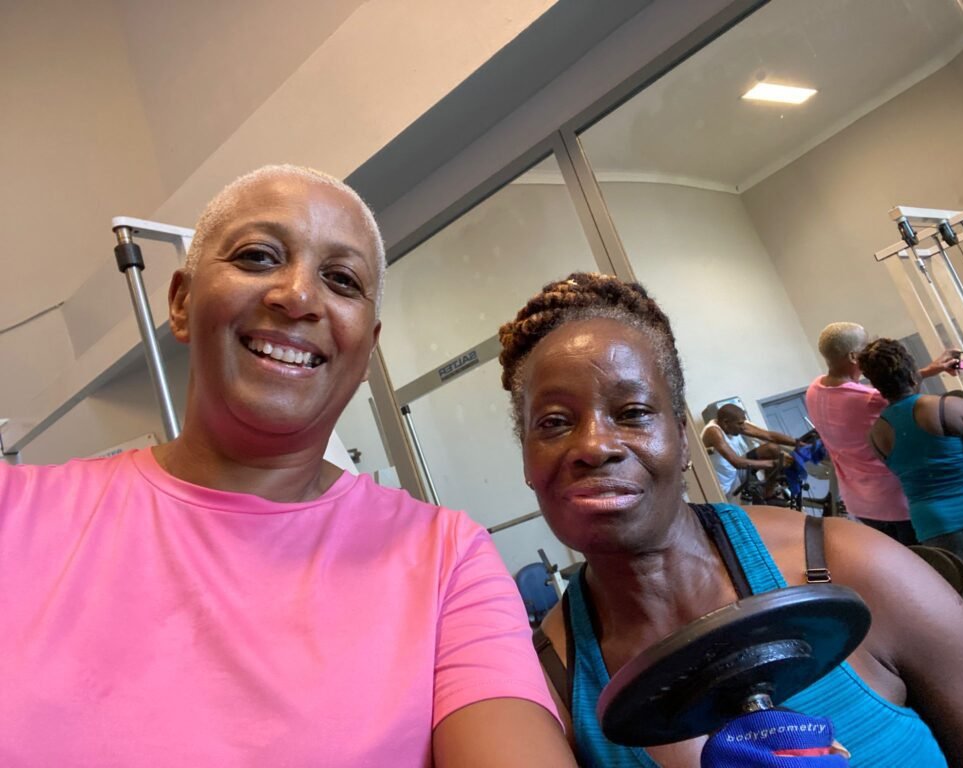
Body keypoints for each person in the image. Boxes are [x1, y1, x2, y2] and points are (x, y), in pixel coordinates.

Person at [0, 165, 574, 767]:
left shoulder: (445, 560)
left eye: (342, 279)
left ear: (366, 343)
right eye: (257, 257)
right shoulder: (18, 518)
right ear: (180, 302)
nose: (299, 296)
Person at [498, 272, 963, 768]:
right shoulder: (549, 683)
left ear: (682, 439)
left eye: (633, 413)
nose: (593, 446)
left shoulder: (854, 566)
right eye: (554, 423)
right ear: (525, 461)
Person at [858, 338, 963, 559]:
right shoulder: (949, 407)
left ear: (876, 384)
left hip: (933, 528)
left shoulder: (876, 435)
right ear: (910, 371)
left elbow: (922, 442)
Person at [806, 322, 957, 544]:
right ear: (853, 356)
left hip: (861, 504)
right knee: (929, 563)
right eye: (866, 346)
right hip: (896, 502)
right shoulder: (869, 400)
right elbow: (904, 397)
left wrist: (930, 370)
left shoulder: (814, 389)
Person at [700, 404, 797, 502]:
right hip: (722, 484)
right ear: (726, 423)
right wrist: (774, 463)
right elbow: (736, 462)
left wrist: (798, 443)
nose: (743, 427)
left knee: (772, 449)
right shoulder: (713, 432)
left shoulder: (733, 425)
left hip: (735, 472)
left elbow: (769, 436)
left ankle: (769, 495)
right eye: (740, 423)